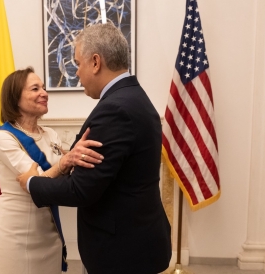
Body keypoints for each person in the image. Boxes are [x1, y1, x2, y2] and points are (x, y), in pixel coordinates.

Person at [18, 23, 172, 274]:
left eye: (78, 63)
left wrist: (31, 183)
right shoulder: (133, 97)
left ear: (96, 62)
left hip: (122, 252)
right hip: (136, 241)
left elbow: (81, 190)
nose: (77, 72)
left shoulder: (116, 109)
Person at [0, 67, 103, 274]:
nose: (44, 93)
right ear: (15, 98)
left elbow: (62, 177)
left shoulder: (50, 134)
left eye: (43, 87)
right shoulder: (3, 137)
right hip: (17, 232)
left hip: (49, 231)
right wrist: (65, 161)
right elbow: (36, 182)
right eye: (35, 88)